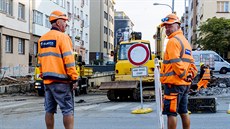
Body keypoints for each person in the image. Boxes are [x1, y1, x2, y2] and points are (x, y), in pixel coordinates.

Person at [37, 10, 78, 129]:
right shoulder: (63, 37)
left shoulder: (42, 39)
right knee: (67, 110)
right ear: (59, 22)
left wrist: (42, 74)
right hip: (62, 82)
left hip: (48, 81)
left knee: (49, 110)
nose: (66, 25)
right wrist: (74, 78)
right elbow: (69, 60)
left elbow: (40, 60)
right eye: (65, 22)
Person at [160, 13, 198, 129]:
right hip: (184, 85)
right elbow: (192, 64)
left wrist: (183, 75)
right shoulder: (185, 41)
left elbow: (175, 62)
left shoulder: (173, 41)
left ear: (177, 25)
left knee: (171, 113)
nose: (167, 28)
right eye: (165, 26)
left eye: (169, 25)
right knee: (184, 111)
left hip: (174, 84)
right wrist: (188, 77)